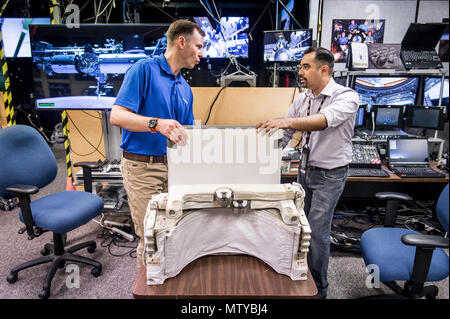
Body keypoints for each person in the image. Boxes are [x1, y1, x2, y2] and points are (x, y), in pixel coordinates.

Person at [256, 47, 359, 298]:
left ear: (324, 69)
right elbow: (287, 135)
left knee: (316, 231)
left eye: (306, 67)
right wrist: (258, 158)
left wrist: (286, 122)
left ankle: (319, 289)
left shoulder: (346, 96)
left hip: (330, 174)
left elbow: (324, 121)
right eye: (300, 67)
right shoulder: (303, 99)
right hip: (305, 170)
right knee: (299, 227)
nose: (300, 72)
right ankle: (300, 276)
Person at [110, 19, 204, 269]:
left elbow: (184, 135)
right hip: (143, 169)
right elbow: (117, 116)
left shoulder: (185, 87)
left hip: (174, 168)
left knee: (173, 231)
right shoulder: (144, 69)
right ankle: (149, 290)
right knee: (151, 235)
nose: (201, 54)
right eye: (199, 46)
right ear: (181, 42)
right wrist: (156, 124)